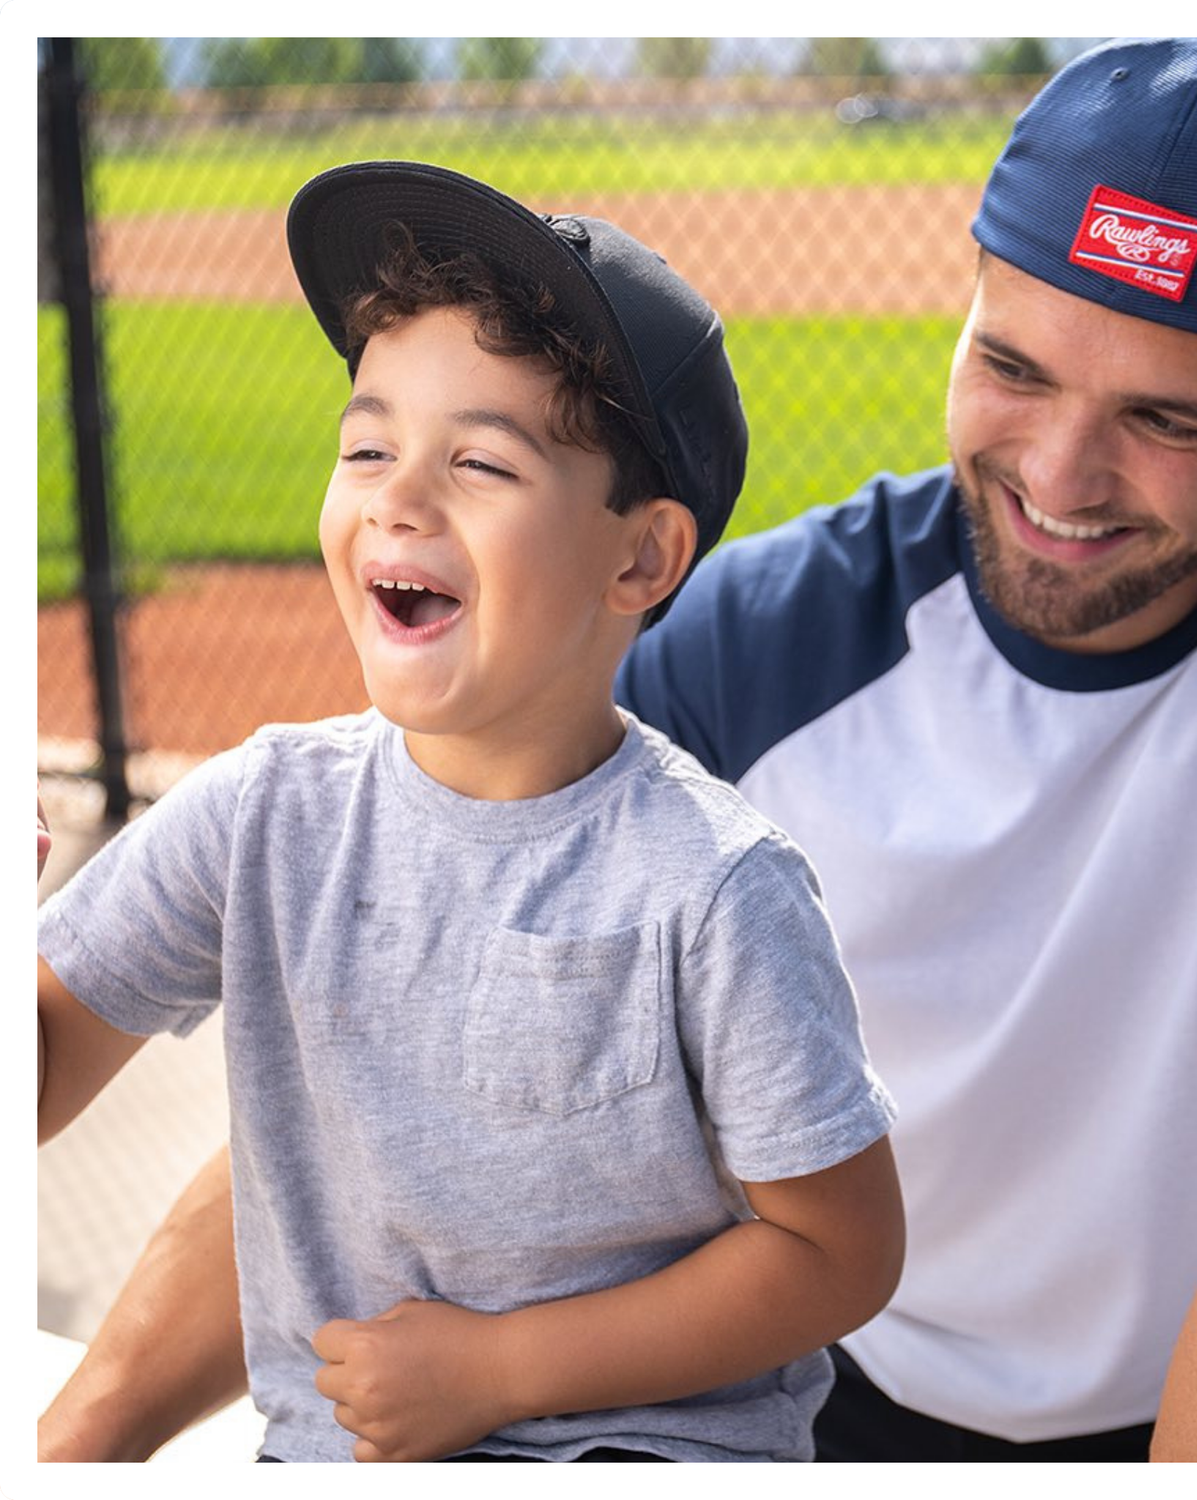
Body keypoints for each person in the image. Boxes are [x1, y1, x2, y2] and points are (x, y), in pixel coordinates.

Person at [38, 36, 1197, 1463]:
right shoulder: (766, 640)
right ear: (966, 303)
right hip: (817, 1388)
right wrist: (77, 1445)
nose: (1060, 473)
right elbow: (396, 1088)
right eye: (1016, 367)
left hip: (1186, 1400)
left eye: (1163, 417)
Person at [36, 160, 904, 1464]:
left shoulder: (714, 888)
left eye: (480, 462)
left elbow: (841, 1252)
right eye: (368, 445)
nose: (397, 494)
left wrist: (502, 1369)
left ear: (641, 555)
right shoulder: (263, 815)